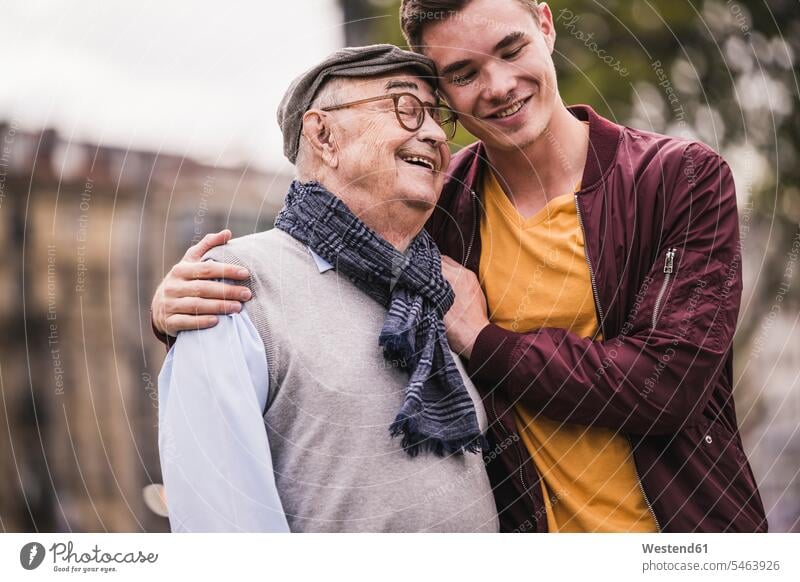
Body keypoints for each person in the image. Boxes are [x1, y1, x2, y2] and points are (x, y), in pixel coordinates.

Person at [152, 0, 767, 532]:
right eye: (464, 74)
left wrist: (483, 339)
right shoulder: (441, 211)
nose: (497, 86)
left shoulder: (678, 178)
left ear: (546, 26)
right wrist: (186, 309)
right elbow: (336, 261)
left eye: (511, 49)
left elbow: (665, 385)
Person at [157, 44, 499, 533]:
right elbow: (224, 527)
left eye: (435, 116)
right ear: (324, 135)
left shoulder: (443, 290)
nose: (431, 132)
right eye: (405, 107)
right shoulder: (232, 285)